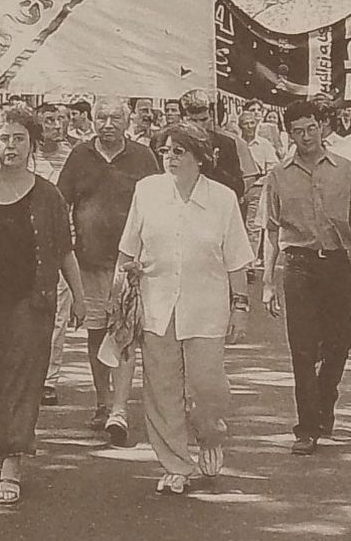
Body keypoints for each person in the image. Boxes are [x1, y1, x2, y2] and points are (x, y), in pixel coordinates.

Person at [0, 104, 85, 505]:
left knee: (25, 380)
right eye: (4, 138)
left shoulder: (48, 195)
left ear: (32, 144)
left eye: (19, 139)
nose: (11, 146)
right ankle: (3, 443)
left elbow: (64, 251)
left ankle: (13, 460)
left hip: (33, 302)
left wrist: (79, 297)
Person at [116, 123, 254, 494]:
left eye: (179, 151)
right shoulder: (147, 191)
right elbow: (128, 249)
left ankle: (210, 436)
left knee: (208, 387)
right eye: (165, 151)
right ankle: (176, 465)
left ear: (200, 158)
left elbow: (236, 259)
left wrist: (240, 306)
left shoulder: (223, 199)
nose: (170, 158)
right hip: (157, 304)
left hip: (207, 308)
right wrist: (120, 294)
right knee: (162, 391)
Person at [56, 97, 160, 444]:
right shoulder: (80, 156)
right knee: (97, 332)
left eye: (115, 117)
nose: (107, 124)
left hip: (131, 265)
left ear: (127, 121)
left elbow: (160, 203)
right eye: (101, 117)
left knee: (124, 333)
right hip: (89, 262)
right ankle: (103, 401)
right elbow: (61, 203)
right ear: (92, 120)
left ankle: (119, 409)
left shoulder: (143, 157)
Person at [260, 100, 351, 456]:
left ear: (322, 126)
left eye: (311, 128)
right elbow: (271, 231)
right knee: (301, 347)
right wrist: (268, 282)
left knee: (339, 343)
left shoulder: (345, 170)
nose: (306, 136)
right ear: (289, 134)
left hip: (339, 265)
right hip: (299, 265)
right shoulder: (278, 175)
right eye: (298, 131)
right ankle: (307, 427)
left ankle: (325, 397)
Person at [32, 103, 75, 407]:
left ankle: (49, 378)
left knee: (58, 313)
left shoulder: (72, 156)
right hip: (24, 244)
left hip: (60, 242)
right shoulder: (26, 155)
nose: (56, 125)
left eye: (60, 120)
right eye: (49, 120)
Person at [239, 110, 279, 269]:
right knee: (237, 226)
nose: (249, 126)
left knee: (253, 228)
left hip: (256, 189)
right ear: (240, 125)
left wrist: (260, 183)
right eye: (245, 123)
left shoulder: (264, 144)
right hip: (238, 188)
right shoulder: (236, 142)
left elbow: (273, 167)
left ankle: (249, 264)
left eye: (252, 123)